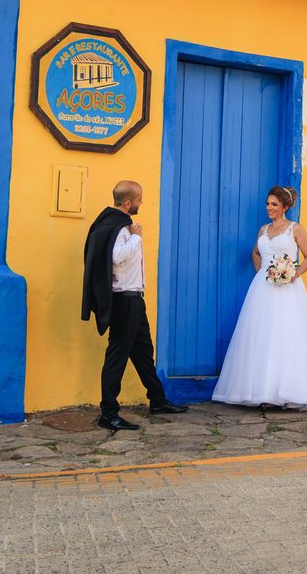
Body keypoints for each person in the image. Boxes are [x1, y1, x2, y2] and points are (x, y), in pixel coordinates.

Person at [82, 180, 189, 431]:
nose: (142, 203)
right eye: (139, 199)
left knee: (143, 353)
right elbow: (115, 256)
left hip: (134, 301)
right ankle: (108, 414)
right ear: (128, 202)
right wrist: (137, 238)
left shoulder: (112, 222)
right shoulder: (121, 227)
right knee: (117, 357)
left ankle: (158, 400)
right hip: (124, 301)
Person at [211, 185, 307, 410]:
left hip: (287, 290)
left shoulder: (295, 229)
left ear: (285, 207)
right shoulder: (263, 230)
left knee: (284, 336)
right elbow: (256, 253)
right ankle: (261, 392)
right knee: (261, 335)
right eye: (267, 204)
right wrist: (261, 271)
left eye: (274, 204)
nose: (269, 207)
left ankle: (285, 393)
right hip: (262, 288)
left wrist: (293, 274)